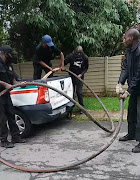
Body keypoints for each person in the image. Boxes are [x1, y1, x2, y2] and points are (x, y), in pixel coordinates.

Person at [116, 28, 140, 153]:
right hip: (135, 87)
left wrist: (128, 91)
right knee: (131, 111)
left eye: (125, 37)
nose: (123, 40)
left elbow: (138, 74)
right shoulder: (128, 51)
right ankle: (131, 134)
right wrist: (120, 82)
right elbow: (125, 67)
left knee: (139, 113)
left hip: (138, 86)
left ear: (131, 39)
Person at [0, 45, 26, 148]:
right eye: (10, 54)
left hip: (6, 94)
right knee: (2, 118)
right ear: (5, 54)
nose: (12, 56)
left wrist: (19, 84)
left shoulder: (9, 65)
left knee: (11, 114)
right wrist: (5, 84)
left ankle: (16, 137)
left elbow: (13, 80)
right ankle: (3, 140)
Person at [64, 46, 88, 114]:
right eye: (77, 53)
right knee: (71, 92)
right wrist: (61, 66)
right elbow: (64, 62)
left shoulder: (85, 57)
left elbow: (86, 68)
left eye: (80, 53)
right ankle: (71, 106)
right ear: (75, 52)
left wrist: (81, 74)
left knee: (79, 92)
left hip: (80, 76)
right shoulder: (71, 56)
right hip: (71, 76)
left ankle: (81, 108)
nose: (79, 54)